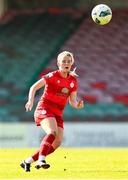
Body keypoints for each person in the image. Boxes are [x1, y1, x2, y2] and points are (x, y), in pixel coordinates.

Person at [20, 51, 84, 172]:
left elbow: (72, 101)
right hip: (44, 108)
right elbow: (34, 87)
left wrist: (77, 105)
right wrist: (30, 101)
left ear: (72, 63)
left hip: (57, 113)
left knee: (57, 142)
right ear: (58, 63)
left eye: (69, 61)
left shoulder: (73, 81)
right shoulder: (52, 76)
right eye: (64, 61)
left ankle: (27, 161)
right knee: (52, 132)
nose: (66, 63)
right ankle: (41, 160)